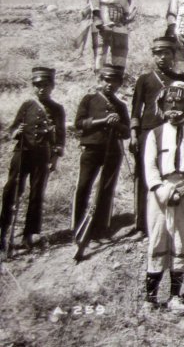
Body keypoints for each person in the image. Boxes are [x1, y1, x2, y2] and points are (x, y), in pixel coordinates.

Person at [142, 82, 184, 313]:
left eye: (180, 102)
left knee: (181, 239)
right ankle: (150, 298)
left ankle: (174, 296)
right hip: (159, 193)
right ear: (162, 104)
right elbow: (150, 166)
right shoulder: (155, 134)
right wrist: (161, 189)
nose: (174, 106)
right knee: (158, 238)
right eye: (169, 101)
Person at [0, 67, 65, 252]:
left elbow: (60, 137)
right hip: (22, 153)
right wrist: (15, 132)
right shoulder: (27, 105)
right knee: (11, 189)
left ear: (52, 86)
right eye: (38, 85)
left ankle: (29, 235)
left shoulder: (57, 109)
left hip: (42, 156)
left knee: (37, 194)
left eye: (45, 85)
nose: (41, 89)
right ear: (33, 86)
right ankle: (3, 231)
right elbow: (12, 128)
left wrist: (55, 157)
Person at [129, 36, 184, 239]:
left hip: (171, 134)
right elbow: (136, 109)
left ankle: (165, 220)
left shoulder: (180, 80)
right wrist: (134, 134)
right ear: (153, 55)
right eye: (158, 53)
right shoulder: (144, 80)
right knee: (145, 177)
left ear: (173, 55)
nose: (162, 57)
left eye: (166, 53)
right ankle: (141, 225)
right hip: (147, 133)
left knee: (168, 176)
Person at [72, 65, 130, 241]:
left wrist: (117, 124)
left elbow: (126, 132)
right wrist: (103, 121)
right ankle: (77, 227)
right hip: (91, 148)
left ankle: (100, 229)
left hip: (112, 151)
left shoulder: (120, 106)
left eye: (114, 81)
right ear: (100, 80)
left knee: (106, 189)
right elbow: (79, 123)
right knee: (84, 185)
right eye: (106, 80)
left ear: (119, 84)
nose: (110, 84)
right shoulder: (89, 99)